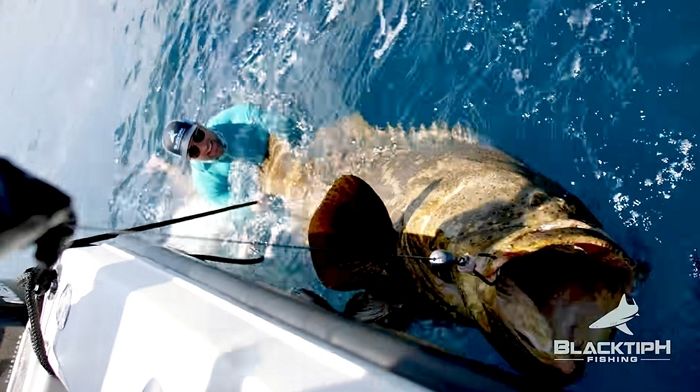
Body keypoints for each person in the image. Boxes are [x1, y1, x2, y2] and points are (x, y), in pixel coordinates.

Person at [153, 103, 302, 206]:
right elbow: (232, 211)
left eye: (198, 136)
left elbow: (287, 126)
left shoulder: (238, 117)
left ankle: (162, 165)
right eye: (193, 151)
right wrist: (252, 206)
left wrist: (295, 148)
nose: (204, 146)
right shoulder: (206, 182)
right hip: (267, 176)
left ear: (199, 125)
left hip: (273, 149)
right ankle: (165, 167)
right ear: (191, 159)